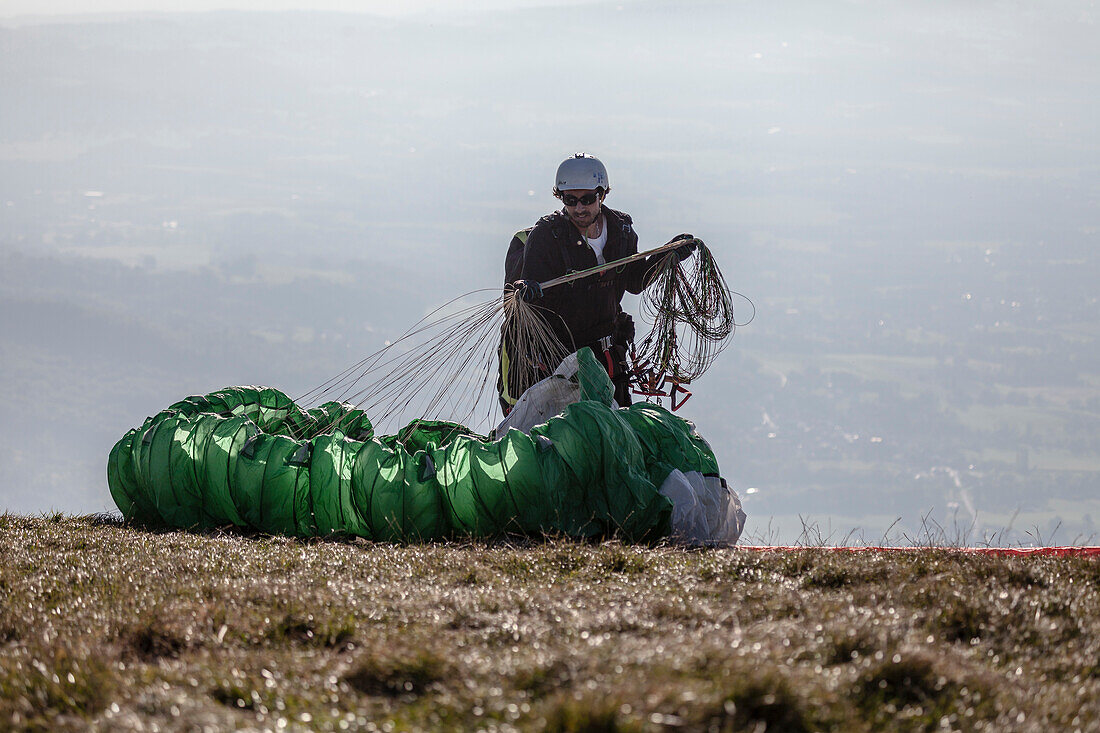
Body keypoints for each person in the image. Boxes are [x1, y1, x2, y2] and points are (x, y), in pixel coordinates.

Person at [498, 153, 695, 414]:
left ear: (601, 195)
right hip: (560, 361)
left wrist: (666, 256)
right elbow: (531, 290)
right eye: (571, 200)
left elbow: (634, 280)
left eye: (587, 199)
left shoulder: (621, 231)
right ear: (561, 198)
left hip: (606, 357)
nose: (579, 208)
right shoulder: (547, 235)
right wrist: (526, 290)